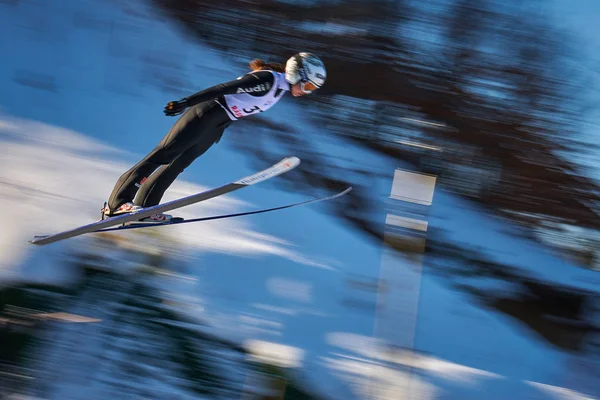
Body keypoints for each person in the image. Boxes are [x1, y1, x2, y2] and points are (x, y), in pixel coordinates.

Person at [102, 52, 327, 222]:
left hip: (218, 123)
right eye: (307, 85)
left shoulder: (280, 87)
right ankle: (117, 203)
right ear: (297, 73)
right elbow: (225, 87)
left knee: (177, 164)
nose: (306, 91)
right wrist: (186, 102)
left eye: (311, 90)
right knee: (163, 155)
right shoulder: (268, 79)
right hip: (207, 112)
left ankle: (147, 209)